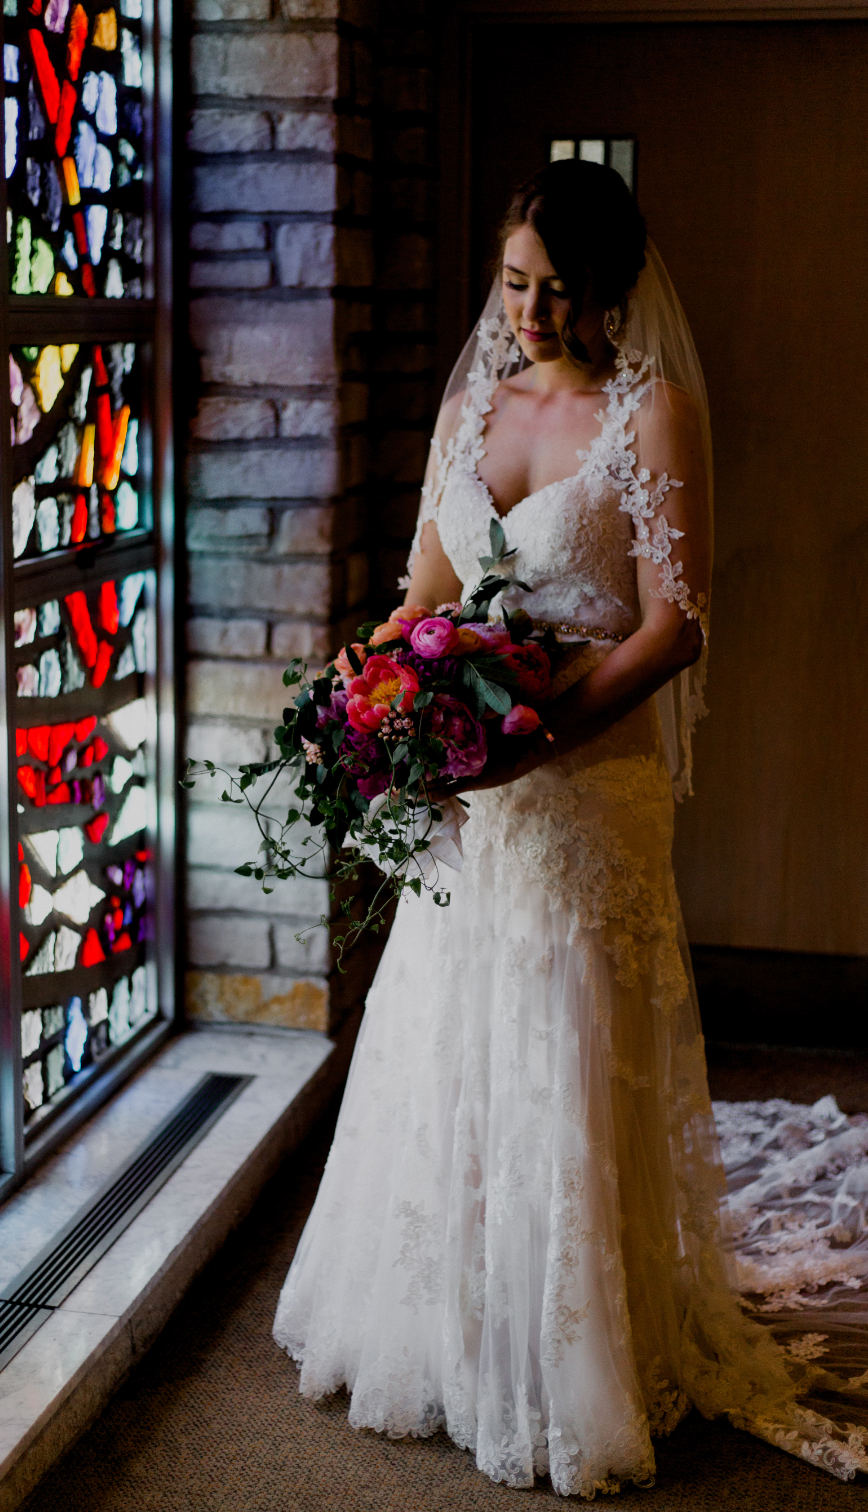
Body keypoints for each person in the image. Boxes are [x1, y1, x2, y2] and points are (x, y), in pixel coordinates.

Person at [273, 160, 868, 1493]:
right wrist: (362, 696)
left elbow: (674, 625)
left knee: (562, 1037)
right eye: (513, 282)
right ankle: (448, 1325)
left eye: (555, 289)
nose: (530, 310)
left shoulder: (648, 414)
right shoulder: (476, 403)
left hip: (583, 789)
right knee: (448, 1030)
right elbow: (422, 599)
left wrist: (529, 734)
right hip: (469, 796)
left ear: (605, 290)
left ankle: (567, 1358)